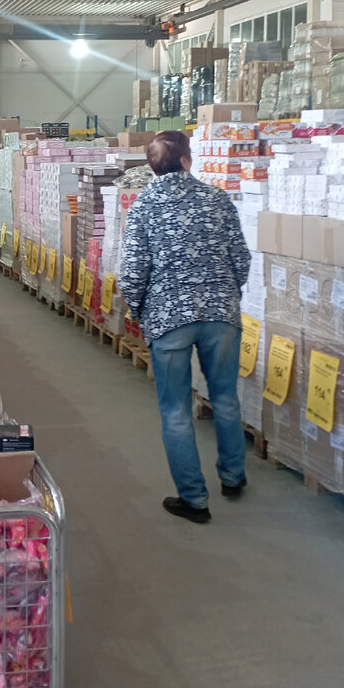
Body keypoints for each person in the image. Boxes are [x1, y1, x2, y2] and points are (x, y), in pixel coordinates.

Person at [118, 130, 251, 523]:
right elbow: (241, 258)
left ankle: (194, 500)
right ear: (186, 161)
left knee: (175, 410)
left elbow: (132, 273)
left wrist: (139, 310)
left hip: (168, 317)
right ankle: (233, 477)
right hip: (221, 315)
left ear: (152, 166)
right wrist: (226, 295)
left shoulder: (144, 206)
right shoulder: (218, 199)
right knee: (224, 398)